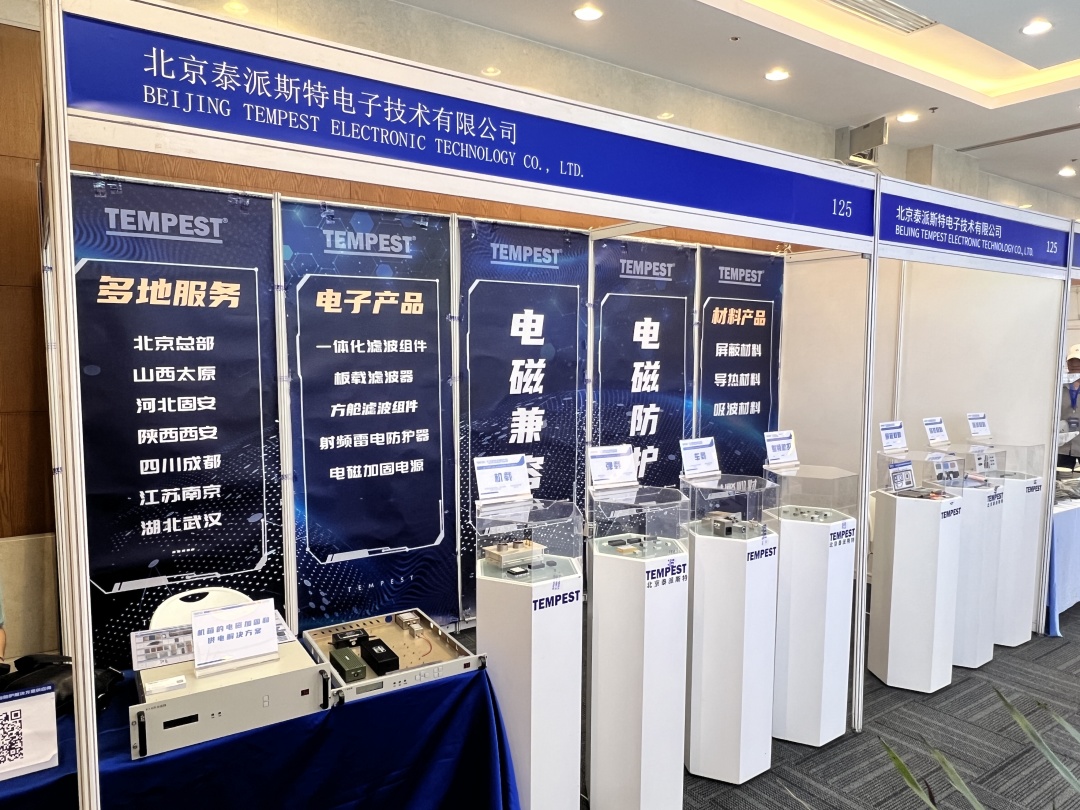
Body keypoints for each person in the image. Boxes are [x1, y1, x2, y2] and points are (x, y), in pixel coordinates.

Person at [1060, 344, 1080, 470]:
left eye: (1078, 361)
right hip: (1063, 445)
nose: (1074, 364)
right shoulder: (1059, 385)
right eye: (1071, 361)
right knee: (1061, 478)